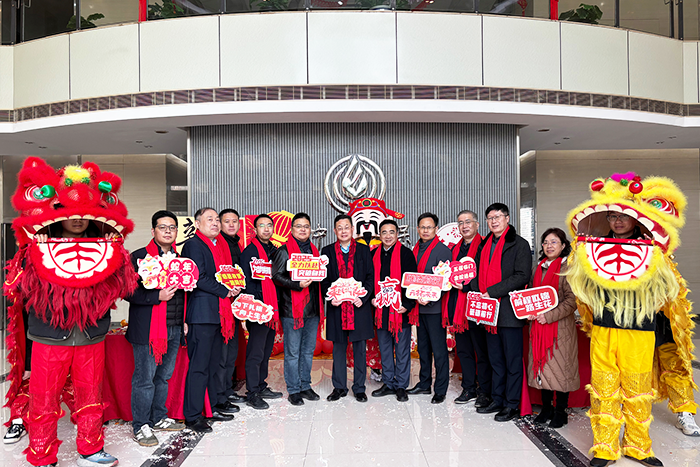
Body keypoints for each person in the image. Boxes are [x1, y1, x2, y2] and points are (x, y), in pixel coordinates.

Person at [125, 210, 186, 446]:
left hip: (174, 327)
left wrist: (184, 321)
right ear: (153, 231)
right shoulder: (139, 257)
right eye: (163, 227)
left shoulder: (180, 260)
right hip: (148, 329)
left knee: (164, 377)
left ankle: (158, 417)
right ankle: (141, 425)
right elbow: (127, 291)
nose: (168, 231)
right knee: (144, 379)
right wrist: (155, 296)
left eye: (172, 227)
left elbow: (184, 294)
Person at [470, 203, 532, 422]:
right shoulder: (484, 244)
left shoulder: (519, 244)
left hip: (509, 313)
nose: (494, 221)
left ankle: (511, 404)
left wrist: (492, 291)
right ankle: (497, 399)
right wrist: (472, 288)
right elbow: (476, 272)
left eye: (497, 217)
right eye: (490, 218)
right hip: (488, 313)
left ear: (507, 218)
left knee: (512, 361)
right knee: (495, 359)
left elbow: (522, 276)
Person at [181, 208, 240, 433]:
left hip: (218, 314)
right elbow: (198, 277)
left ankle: (212, 406)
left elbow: (222, 274)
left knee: (214, 364)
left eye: (217, 220)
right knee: (199, 367)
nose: (215, 223)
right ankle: (193, 415)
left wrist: (233, 285)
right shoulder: (193, 245)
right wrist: (225, 290)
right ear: (197, 224)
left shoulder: (218, 246)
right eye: (210, 219)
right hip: (202, 315)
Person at [526, 228, 579, 429]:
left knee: (561, 370)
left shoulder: (568, 269)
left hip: (560, 329)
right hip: (538, 328)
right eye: (546, 242)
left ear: (563, 245)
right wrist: (529, 312)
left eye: (554, 242)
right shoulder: (537, 268)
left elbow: (571, 302)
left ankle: (560, 411)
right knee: (542, 367)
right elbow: (531, 295)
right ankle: (546, 408)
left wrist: (548, 316)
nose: (549, 246)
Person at [322, 214, 375, 403]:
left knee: (360, 349)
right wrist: (331, 297)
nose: (343, 231)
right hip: (337, 308)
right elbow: (323, 279)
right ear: (334, 231)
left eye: (347, 227)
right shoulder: (327, 251)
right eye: (340, 228)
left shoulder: (363, 250)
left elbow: (370, 277)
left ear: (352, 229)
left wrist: (363, 297)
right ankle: (339, 387)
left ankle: (359, 388)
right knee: (338, 349)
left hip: (358, 307)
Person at [272, 213, 323, 406]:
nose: (303, 229)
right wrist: (297, 284)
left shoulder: (314, 252)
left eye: (306, 226)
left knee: (308, 351)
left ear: (310, 230)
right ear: (292, 229)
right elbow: (276, 276)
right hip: (291, 310)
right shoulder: (284, 251)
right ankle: (293, 389)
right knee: (292, 352)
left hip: (312, 309)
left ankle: (305, 386)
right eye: (299, 226)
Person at [406, 212, 452, 404]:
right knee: (423, 349)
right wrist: (416, 296)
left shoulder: (443, 251)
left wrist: (430, 298)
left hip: (435, 308)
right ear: (418, 229)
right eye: (422, 227)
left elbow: (445, 281)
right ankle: (424, 384)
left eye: (429, 227)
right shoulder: (415, 249)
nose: (426, 230)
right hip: (419, 307)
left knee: (439, 350)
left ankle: (440, 389)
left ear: (436, 229)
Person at [447, 210, 492, 408]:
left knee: (482, 351)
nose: (464, 226)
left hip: (478, 306)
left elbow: (487, 275)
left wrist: (467, 286)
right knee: (464, 351)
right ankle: (468, 388)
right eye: (460, 223)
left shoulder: (485, 246)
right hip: (458, 308)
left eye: (468, 222)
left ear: (477, 224)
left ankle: (484, 390)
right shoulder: (454, 249)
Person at [239, 214, 283, 410]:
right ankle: (252, 392)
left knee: (266, 350)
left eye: (269, 225)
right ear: (255, 230)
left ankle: (261, 385)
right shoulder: (249, 252)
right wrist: (259, 304)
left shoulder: (275, 251)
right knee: (255, 352)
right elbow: (246, 282)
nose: (266, 229)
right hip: (258, 310)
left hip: (273, 308)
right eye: (262, 225)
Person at [370, 219, 417, 402]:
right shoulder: (374, 254)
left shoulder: (406, 254)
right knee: (385, 349)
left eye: (391, 232)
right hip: (381, 311)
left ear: (397, 234)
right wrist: (371, 298)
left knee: (402, 350)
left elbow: (412, 281)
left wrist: (408, 304)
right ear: (379, 235)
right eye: (384, 232)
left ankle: (401, 385)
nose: (388, 236)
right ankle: (388, 382)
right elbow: (369, 280)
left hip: (400, 310)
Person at [217, 208, 246, 404]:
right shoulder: (217, 244)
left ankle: (227, 389)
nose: (231, 224)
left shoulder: (238, 244)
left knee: (231, 352)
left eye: (235, 221)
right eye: (227, 221)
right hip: (221, 306)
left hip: (235, 306)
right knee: (222, 352)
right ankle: (220, 394)